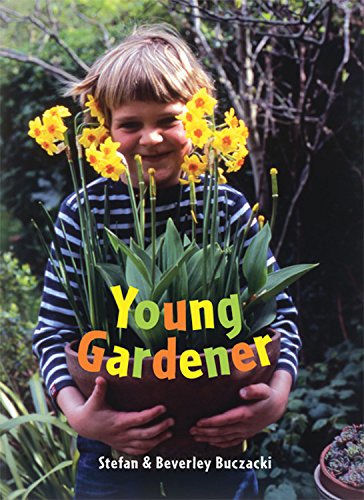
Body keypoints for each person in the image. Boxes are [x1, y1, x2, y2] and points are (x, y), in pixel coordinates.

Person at [33, 24, 300, 499]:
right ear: (104, 129)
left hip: (215, 433)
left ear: (199, 117)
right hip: (115, 438)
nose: (151, 139)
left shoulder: (226, 207)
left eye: (170, 120)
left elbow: (280, 319)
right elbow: (53, 330)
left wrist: (275, 398)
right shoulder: (84, 213)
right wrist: (81, 414)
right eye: (130, 124)